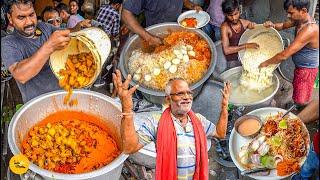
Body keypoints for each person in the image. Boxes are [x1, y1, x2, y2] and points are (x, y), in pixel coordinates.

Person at [112, 69, 231, 179]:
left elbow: (220, 133)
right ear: (168, 99)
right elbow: (129, 148)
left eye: (189, 93)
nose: (186, 97)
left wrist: (224, 108)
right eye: (180, 93)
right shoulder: (156, 122)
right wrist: (127, 109)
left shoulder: (199, 120)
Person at [1, 0, 91, 103]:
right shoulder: (8, 43)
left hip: (65, 95)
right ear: (10, 18)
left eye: (31, 15)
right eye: (21, 17)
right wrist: (49, 46)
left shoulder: (45, 27)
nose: (29, 22)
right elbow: (20, 75)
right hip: (39, 104)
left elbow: (68, 33)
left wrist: (78, 27)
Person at [259, 0, 319, 107]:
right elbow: (282, 26)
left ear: (303, 11)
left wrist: (265, 63)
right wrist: (272, 25)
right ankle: (297, 102)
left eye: (291, 13)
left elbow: (284, 55)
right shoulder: (299, 20)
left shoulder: (309, 30)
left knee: (301, 97)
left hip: (307, 70)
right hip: (300, 67)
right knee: (298, 88)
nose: (288, 15)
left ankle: (300, 108)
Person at [121, 0, 203, 46]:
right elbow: (126, 15)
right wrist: (149, 38)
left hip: (178, 29)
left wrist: (192, 6)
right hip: (155, 35)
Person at [220, 0, 259, 69]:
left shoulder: (245, 23)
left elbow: (258, 30)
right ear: (225, 14)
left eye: (236, 14)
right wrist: (246, 46)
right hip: (232, 59)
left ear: (239, 10)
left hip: (245, 55)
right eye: (230, 15)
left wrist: (253, 26)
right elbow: (226, 50)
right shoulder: (225, 28)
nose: (234, 18)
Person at [291, 100, 319, 180]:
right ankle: (302, 178)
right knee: (306, 168)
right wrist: (293, 123)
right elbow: (317, 108)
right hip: (316, 149)